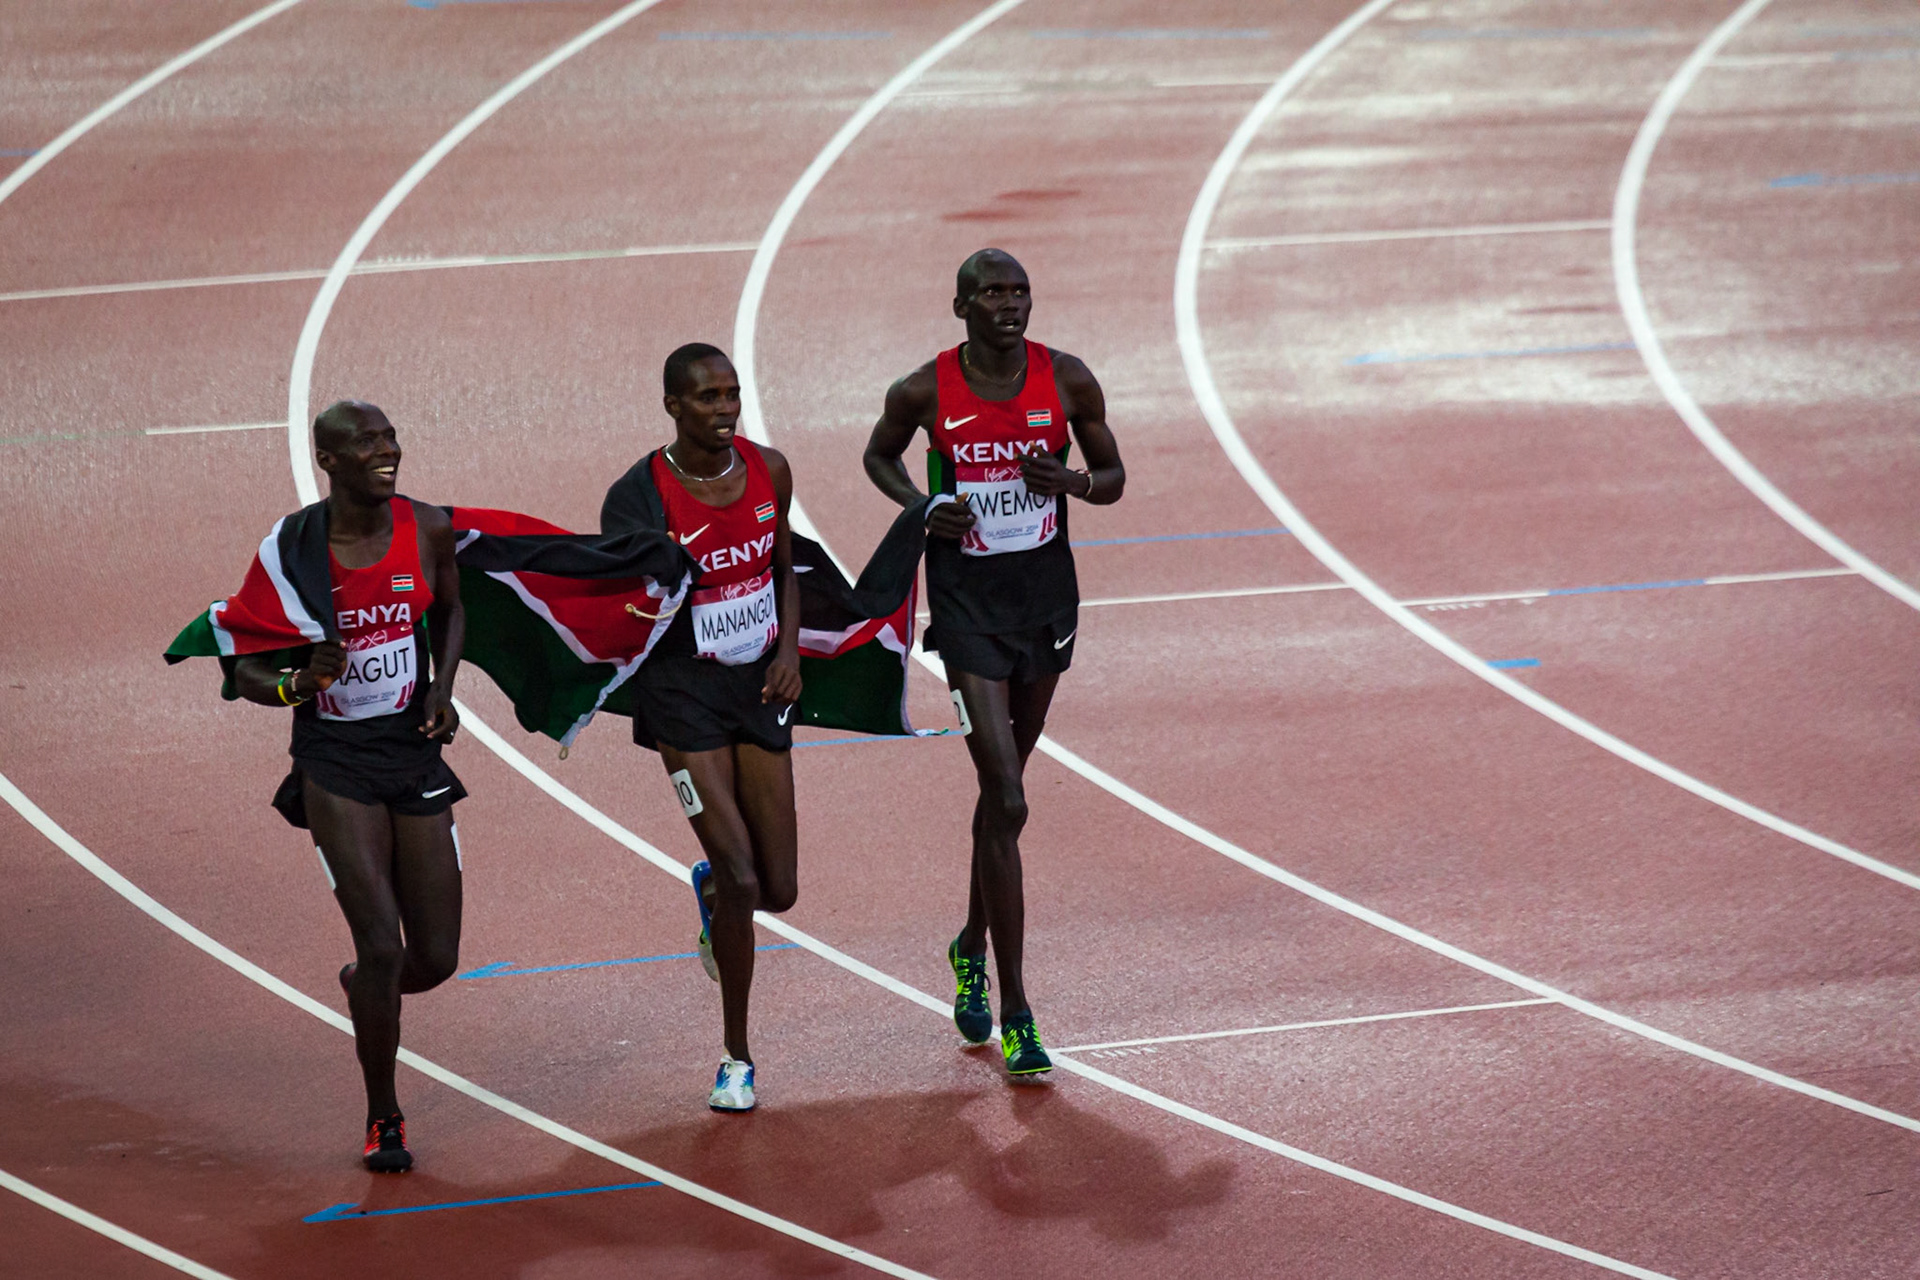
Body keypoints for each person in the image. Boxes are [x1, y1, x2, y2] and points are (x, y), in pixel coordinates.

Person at [863, 248, 1124, 1077]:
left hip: (1044, 606)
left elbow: (1113, 476)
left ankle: (968, 943)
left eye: (1020, 292)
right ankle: (1017, 1013)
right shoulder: (924, 390)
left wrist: (1072, 483)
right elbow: (879, 455)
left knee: (1000, 805)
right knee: (1007, 794)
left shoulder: (1067, 379)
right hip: (967, 613)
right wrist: (923, 506)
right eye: (993, 294)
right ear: (961, 307)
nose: (1010, 305)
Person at [230, 400, 466, 1171]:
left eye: (389, 437)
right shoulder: (292, 549)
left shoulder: (426, 528)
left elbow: (451, 610)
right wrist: (298, 684)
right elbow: (246, 667)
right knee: (383, 945)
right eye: (366, 443)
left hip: (412, 754)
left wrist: (441, 688)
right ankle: (384, 1116)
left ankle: (364, 985)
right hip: (334, 764)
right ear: (328, 461)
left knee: (433, 958)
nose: (387, 450)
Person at [600, 343, 802, 1112]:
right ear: (673, 406)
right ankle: (736, 1060)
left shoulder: (769, 470)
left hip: (758, 687)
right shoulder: (638, 497)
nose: (725, 409)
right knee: (746, 878)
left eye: (731, 394)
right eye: (708, 398)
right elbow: (619, 603)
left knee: (777, 888)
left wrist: (789, 650)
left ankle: (712, 888)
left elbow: (783, 566)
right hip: (682, 697)